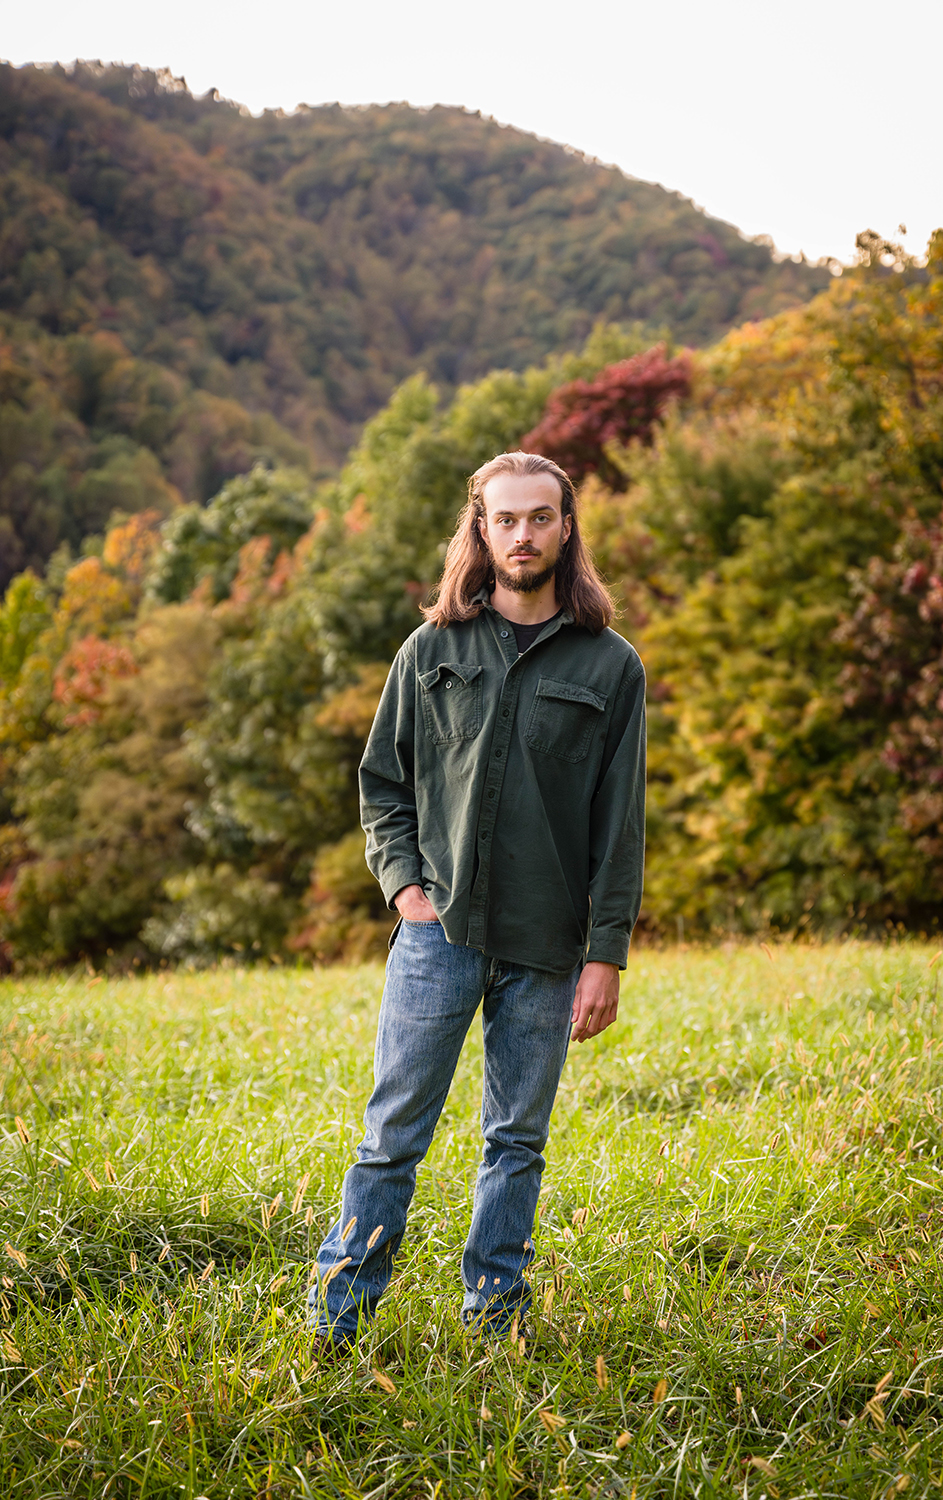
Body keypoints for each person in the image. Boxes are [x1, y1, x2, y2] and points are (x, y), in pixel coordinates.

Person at [308, 450, 646, 1352]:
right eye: (506, 519)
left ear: (566, 527)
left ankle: (494, 1322)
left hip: (549, 946)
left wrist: (606, 954)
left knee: (516, 1145)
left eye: (540, 517)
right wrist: (405, 887)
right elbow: (384, 782)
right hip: (438, 935)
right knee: (392, 1136)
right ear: (481, 529)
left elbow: (620, 826)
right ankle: (339, 1322)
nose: (523, 534)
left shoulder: (613, 667)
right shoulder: (430, 651)